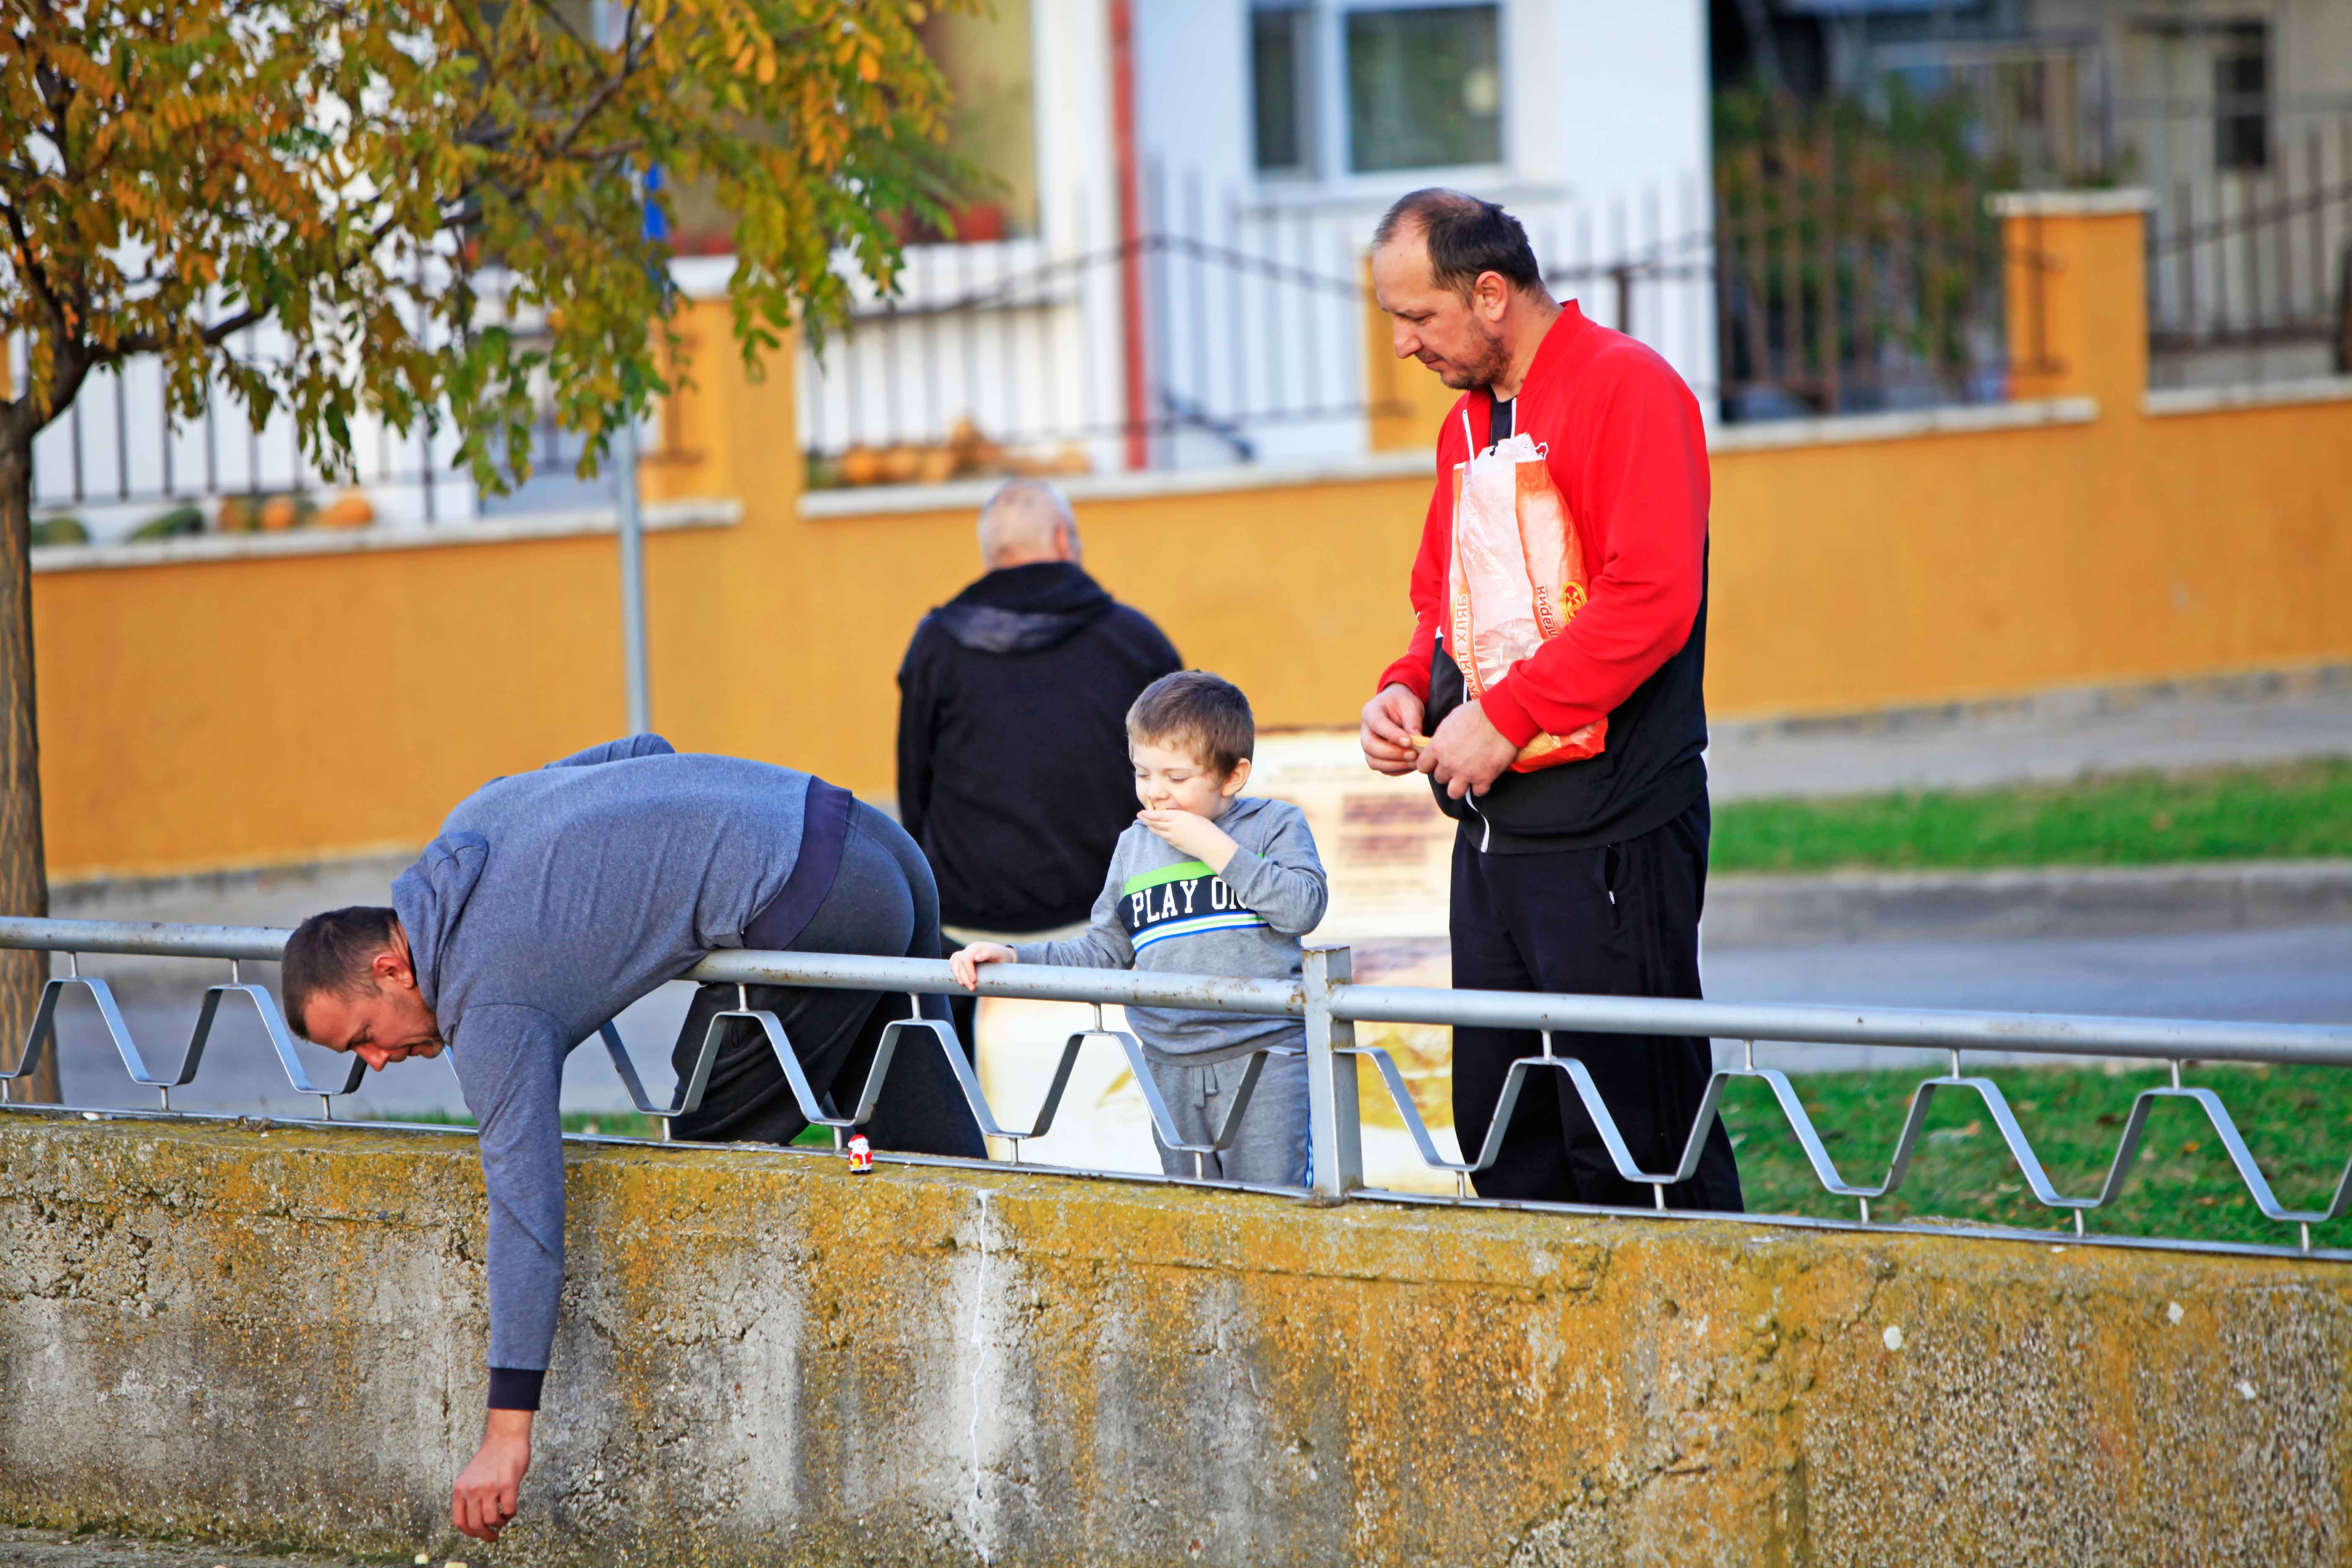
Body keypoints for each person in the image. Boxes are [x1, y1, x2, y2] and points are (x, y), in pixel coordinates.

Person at [278, 736, 984, 1543]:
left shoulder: (489, 1000)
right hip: (869, 838)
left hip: (825, 900)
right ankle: (983, 1350)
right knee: (928, 1147)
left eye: (364, 1035)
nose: (376, 1060)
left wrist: (507, 1433)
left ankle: (771, 1420)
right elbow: (645, 749)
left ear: (392, 968)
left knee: (698, 1143)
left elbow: (526, 1209)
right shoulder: (473, 819)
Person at [1358, 188, 1743, 1212]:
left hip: (1612, 831)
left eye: (1418, 316)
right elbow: (1442, 598)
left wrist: (1507, 716)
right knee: (1510, 1142)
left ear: (1490, 294)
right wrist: (1406, 687)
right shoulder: (1463, 425)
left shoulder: (1629, 387)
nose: (1402, 345)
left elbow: (1651, 596)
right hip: (1492, 839)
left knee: (1638, 1146)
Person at [949, 671, 1326, 1186]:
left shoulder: (1274, 825)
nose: (1155, 793)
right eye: (1143, 773)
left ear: (1232, 777)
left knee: (1273, 1205)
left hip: (1264, 1057)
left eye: (1177, 778)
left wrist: (1214, 848)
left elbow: (1303, 909)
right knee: (1190, 1209)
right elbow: (1104, 950)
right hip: (1167, 1061)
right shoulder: (1134, 846)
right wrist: (1016, 957)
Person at [897, 477, 1182, 1048]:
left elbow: (914, 792)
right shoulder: (1134, 640)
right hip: (1109, 934)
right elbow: (1183, 786)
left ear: (992, 554)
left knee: (976, 1097)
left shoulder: (935, 647)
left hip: (967, 940)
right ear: (1062, 541)